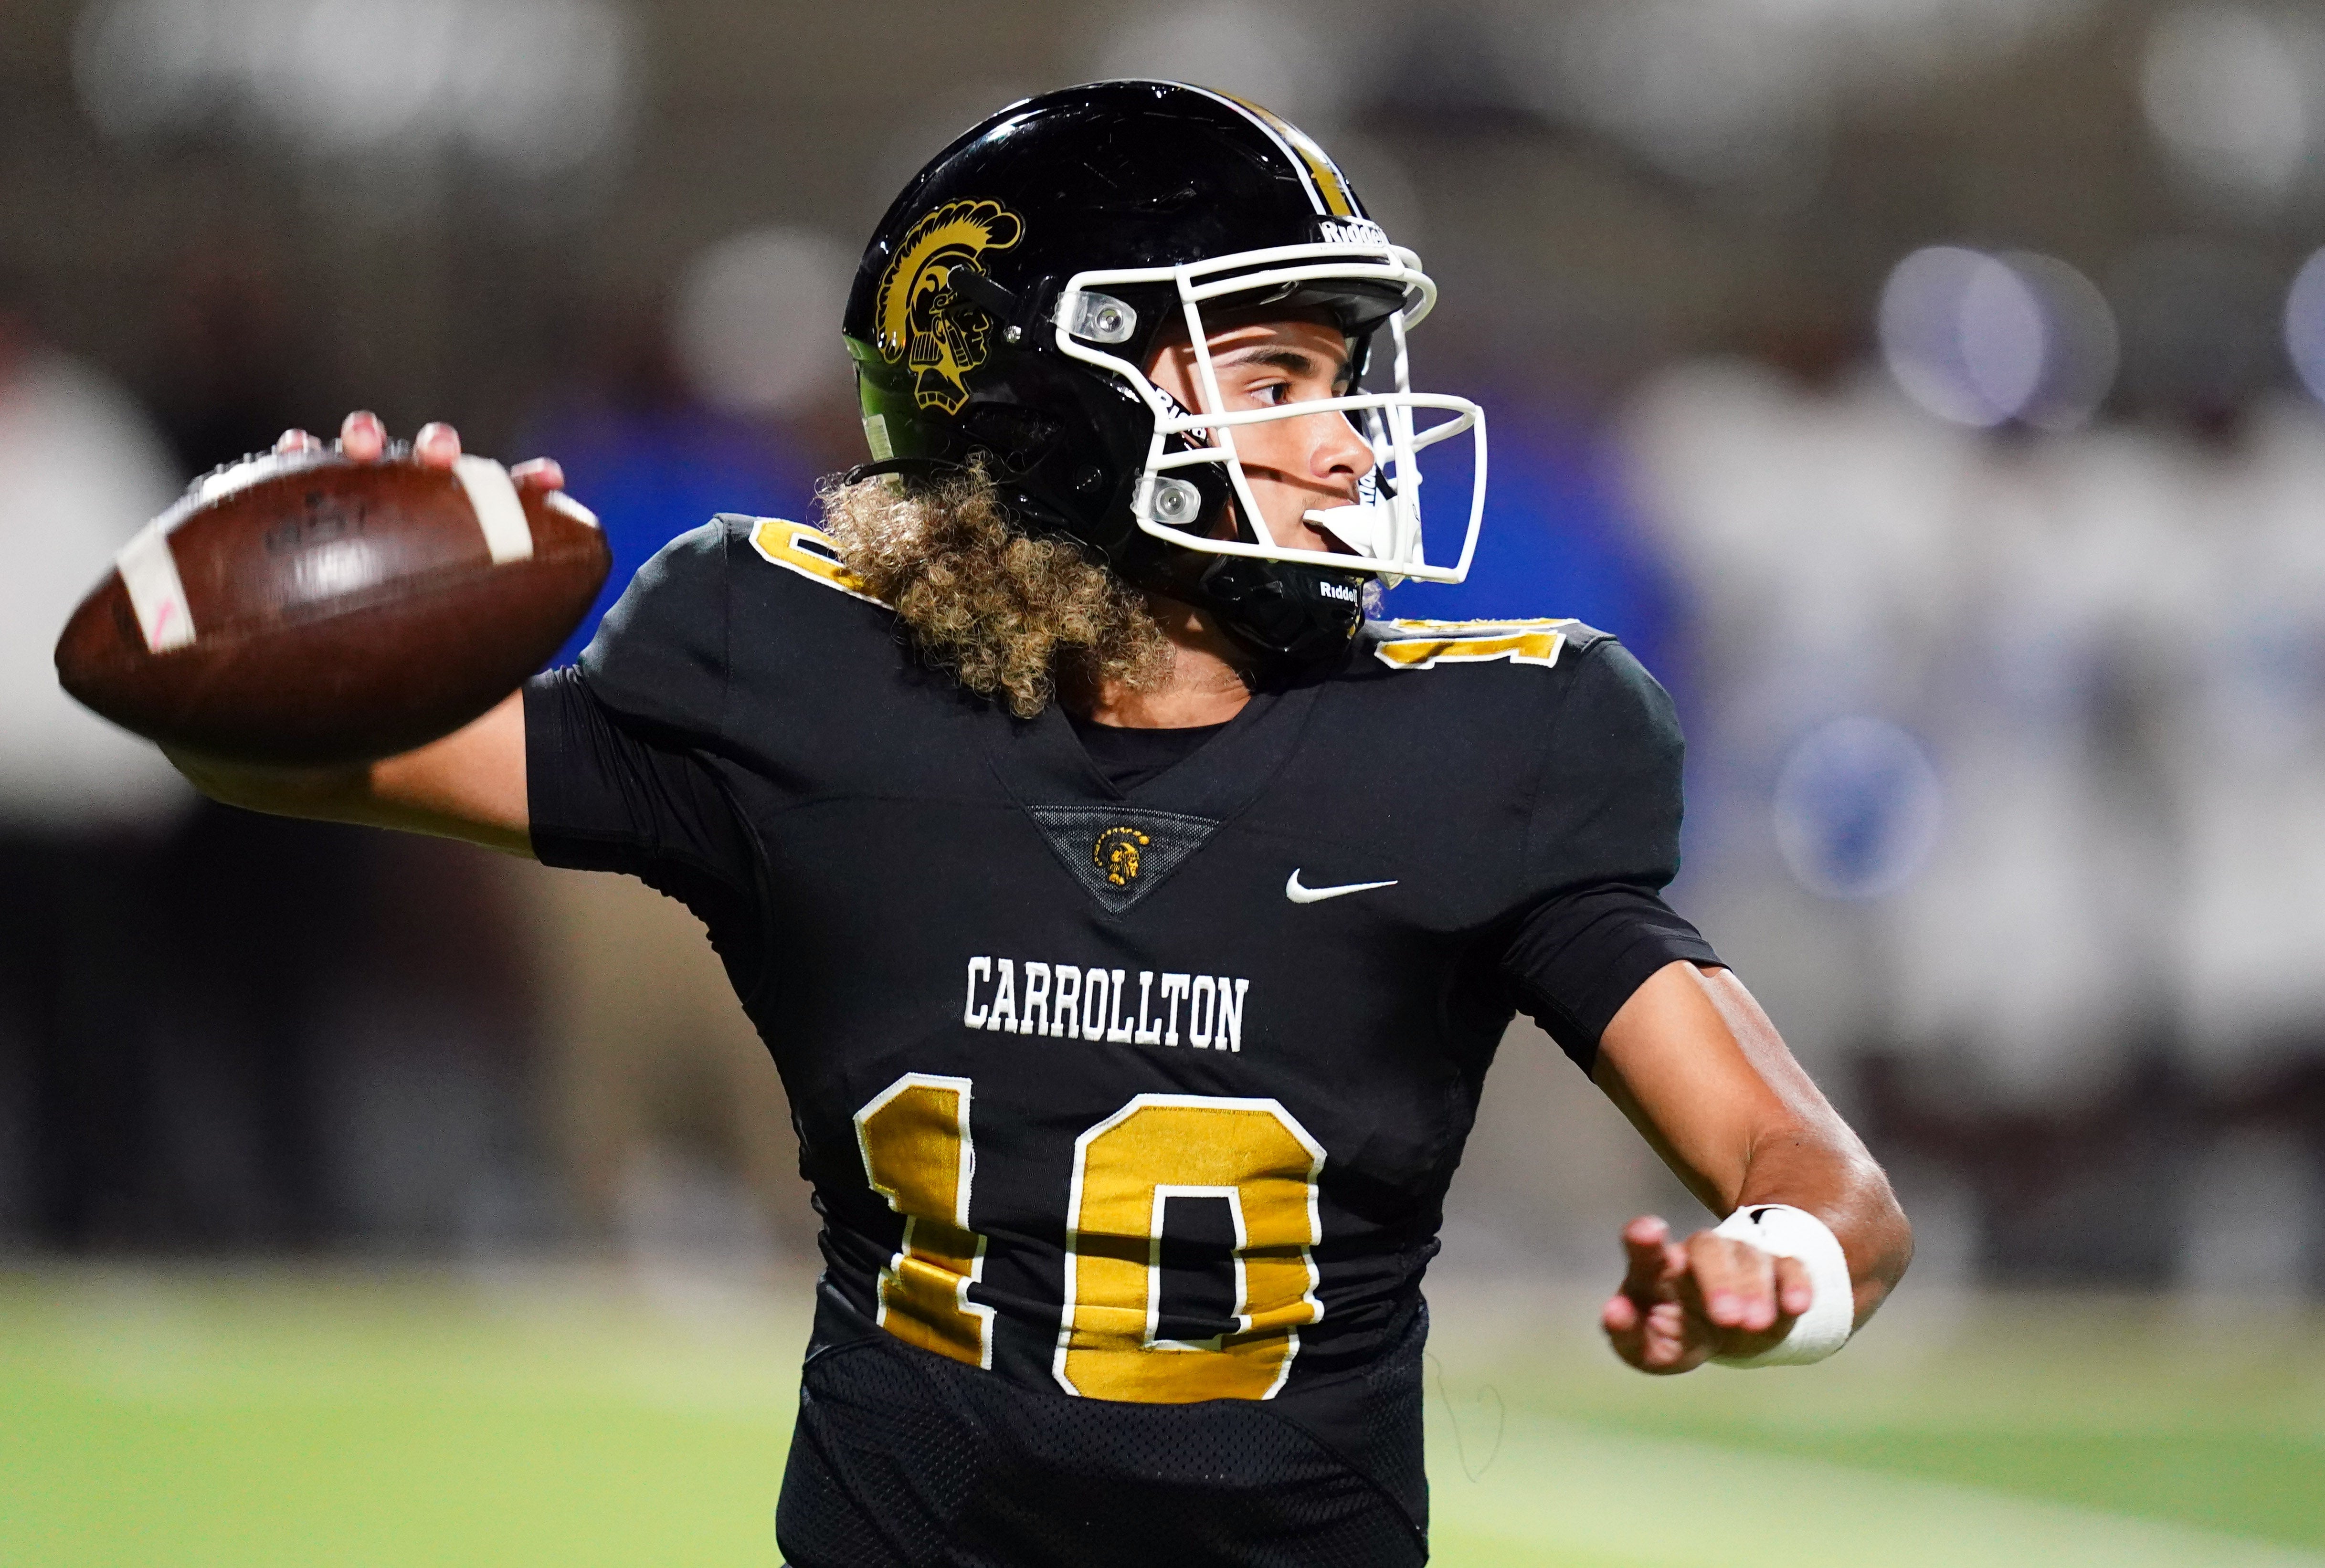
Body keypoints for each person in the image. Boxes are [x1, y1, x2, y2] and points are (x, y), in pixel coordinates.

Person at [166, 82, 1910, 1567]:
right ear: (1057, 401)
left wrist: (1775, 1273)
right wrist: (276, 580)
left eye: (1345, 373)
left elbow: (1825, 1183)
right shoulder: (799, 683)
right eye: (1280, 373)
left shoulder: (1481, 744)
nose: (1354, 441)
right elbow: (256, 743)